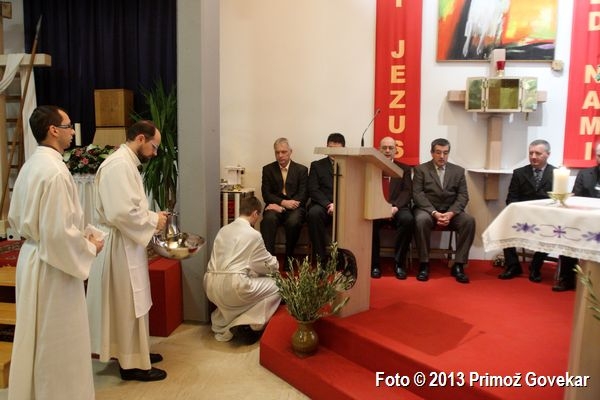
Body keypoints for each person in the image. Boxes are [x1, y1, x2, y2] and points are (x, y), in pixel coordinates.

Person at [7, 105, 104, 399]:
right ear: (53, 130)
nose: (72, 131)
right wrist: (90, 246)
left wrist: (78, 234)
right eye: (67, 125)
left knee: (34, 336)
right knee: (57, 342)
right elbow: (58, 235)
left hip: (33, 257)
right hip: (53, 268)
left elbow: (26, 219)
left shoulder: (31, 165)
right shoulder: (55, 172)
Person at [86, 120, 169, 382]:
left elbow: (130, 207)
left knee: (135, 302)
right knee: (126, 304)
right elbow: (121, 212)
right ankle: (131, 363)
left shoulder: (126, 163)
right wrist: (154, 220)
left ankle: (137, 352)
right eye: (154, 146)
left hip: (127, 242)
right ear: (141, 138)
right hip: (118, 245)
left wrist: (151, 217)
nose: (155, 153)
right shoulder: (118, 165)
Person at [497, 139, 577, 289]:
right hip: (522, 216)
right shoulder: (519, 173)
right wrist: (521, 213)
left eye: (538, 153)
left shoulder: (556, 174)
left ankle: (536, 266)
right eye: (531, 153)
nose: (533, 157)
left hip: (547, 218)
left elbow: (559, 201)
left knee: (552, 230)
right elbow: (511, 198)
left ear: (548, 154)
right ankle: (513, 265)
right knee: (504, 225)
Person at [204, 196, 281, 344]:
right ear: (255, 214)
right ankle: (250, 325)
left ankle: (226, 322)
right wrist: (276, 263)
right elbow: (267, 265)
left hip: (210, 285)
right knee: (278, 286)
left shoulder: (223, 230)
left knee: (246, 283)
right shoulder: (253, 234)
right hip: (234, 285)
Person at [412, 138, 475, 284]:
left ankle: (458, 265)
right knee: (421, 220)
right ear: (432, 153)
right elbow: (418, 195)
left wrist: (450, 213)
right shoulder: (421, 170)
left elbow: (463, 196)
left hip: (450, 211)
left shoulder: (458, 171)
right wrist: (434, 213)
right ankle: (424, 264)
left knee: (469, 221)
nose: (442, 156)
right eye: (438, 152)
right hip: (427, 210)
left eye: (445, 153)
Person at [554, 141, 600, 291]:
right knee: (569, 234)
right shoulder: (585, 174)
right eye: (599, 156)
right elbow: (576, 198)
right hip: (585, 221)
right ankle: (566, 279)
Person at [371, 136, 414, 279]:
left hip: (398, 207)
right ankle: (375, 264)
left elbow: (407, 191)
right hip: (377, 206)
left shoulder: (404, 169)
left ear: (396, 150)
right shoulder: (372, 167)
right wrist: (380, 206)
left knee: (408, 220)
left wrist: (395, 207)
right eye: (384, 148)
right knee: (369, 222)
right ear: (379, 150)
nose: (387, 151)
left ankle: (399, 264)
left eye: (391, 148)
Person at [260, 137, 308, 265]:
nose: (280, 155)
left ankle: (289, 258)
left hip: (295, 207)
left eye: (283, 152)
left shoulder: (301, 170)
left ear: (290, 152)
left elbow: (303, 194)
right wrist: (282, 203)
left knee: (294, 221)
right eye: (277, 152)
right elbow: (266, 194)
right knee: (268, 219)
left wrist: (287, 205)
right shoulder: (268, 169)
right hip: (275, 206)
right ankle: (269, 260)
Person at [307, 132, 345, 261]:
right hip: (323, 205)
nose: (333, 152)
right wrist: (329, 204)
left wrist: (339, 205)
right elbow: (313, 189)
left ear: (343, 148)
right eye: (330, 148)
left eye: (337, 149)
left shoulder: (351, 165)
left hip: (344, 205)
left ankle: (343, 259)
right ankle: (320, 260)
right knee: (313, 214)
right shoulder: (316, 165)